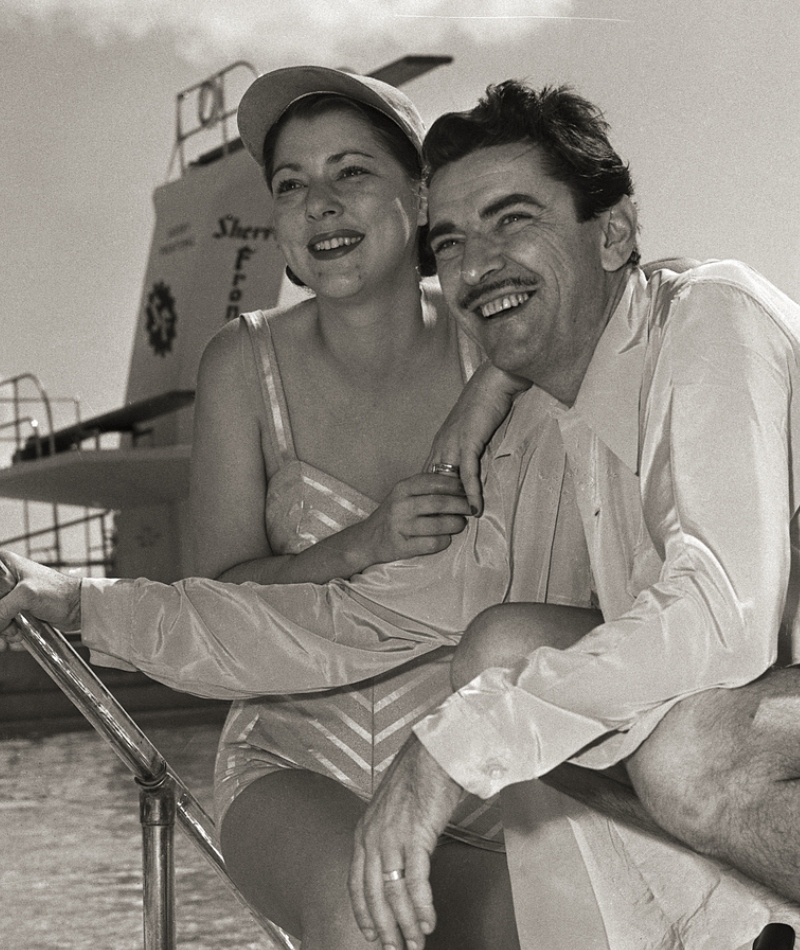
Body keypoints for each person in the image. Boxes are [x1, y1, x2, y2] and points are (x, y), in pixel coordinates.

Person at [2, 80, 799, 949]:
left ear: (613, 233)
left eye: (514, 220)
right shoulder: (534, 424)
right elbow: (355, 620)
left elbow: (727, 610)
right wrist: (85, 603)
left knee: (684, 760)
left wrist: (446, 756)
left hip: (737, 692)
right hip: (331, 747)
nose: (482, 261)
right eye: (457, 240)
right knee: (501, 650)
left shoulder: (709, 318)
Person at [182, 65, 521, 949]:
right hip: (293, 754)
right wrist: (363, 544)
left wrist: (489, 390)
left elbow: (640, 281)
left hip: (472, 756)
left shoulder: (497, 336)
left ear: (420, 194)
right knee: (364, 912)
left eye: (352, 172)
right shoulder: (239, 366)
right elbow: (214, 606)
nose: (320, 204)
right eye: (292, 185)